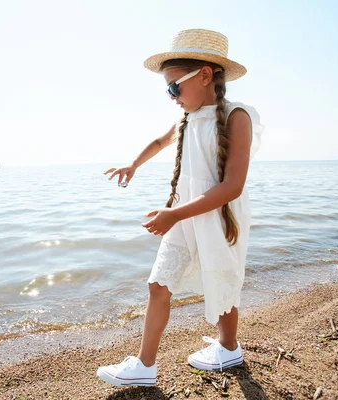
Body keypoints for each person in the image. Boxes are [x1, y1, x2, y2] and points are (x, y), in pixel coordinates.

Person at [97, 29, 264, 387]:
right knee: (159, 283)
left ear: (205, 75)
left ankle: (228, 346)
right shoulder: (186, 119)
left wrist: (174, 214)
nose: (171, 96)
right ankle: (144, 365)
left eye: (174, 87)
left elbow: (232, 186)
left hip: (219, 214)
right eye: (167, 89)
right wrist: (133, 164)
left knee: (221, 278)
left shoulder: (238, 117)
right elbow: (160, 141)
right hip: (183, 212)